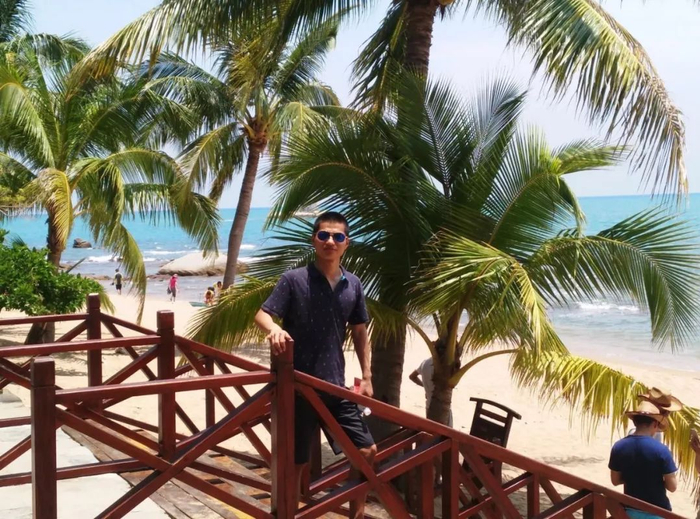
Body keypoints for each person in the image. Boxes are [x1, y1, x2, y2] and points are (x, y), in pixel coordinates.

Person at [254, 211, 375, 517]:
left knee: (365, 451)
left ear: (346, 243)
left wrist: (367, 376)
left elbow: (360, 331)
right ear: (314, 240)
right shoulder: (294, 279)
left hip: (335, 386)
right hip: (297, 388)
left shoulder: (353, 284)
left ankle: (356, 515)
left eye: (337, 236)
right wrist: (274, 329)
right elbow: (262, 313)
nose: (330, 241)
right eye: (324, 235)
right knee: (295, 463)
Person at [609, 396, 680, 518]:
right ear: (655, 424)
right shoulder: (662, 450)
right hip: (657, 512)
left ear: (635, 422)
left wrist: (634, 478)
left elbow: (615, 481)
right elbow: (672, 487)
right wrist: (654, 481)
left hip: (629, 511)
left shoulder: (618, 446)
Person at [409, 345, 453, 427]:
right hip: (442, 408)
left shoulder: (425, 363)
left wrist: (425, 386)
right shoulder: (443, 367)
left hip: (429, 406)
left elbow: (412, 376)